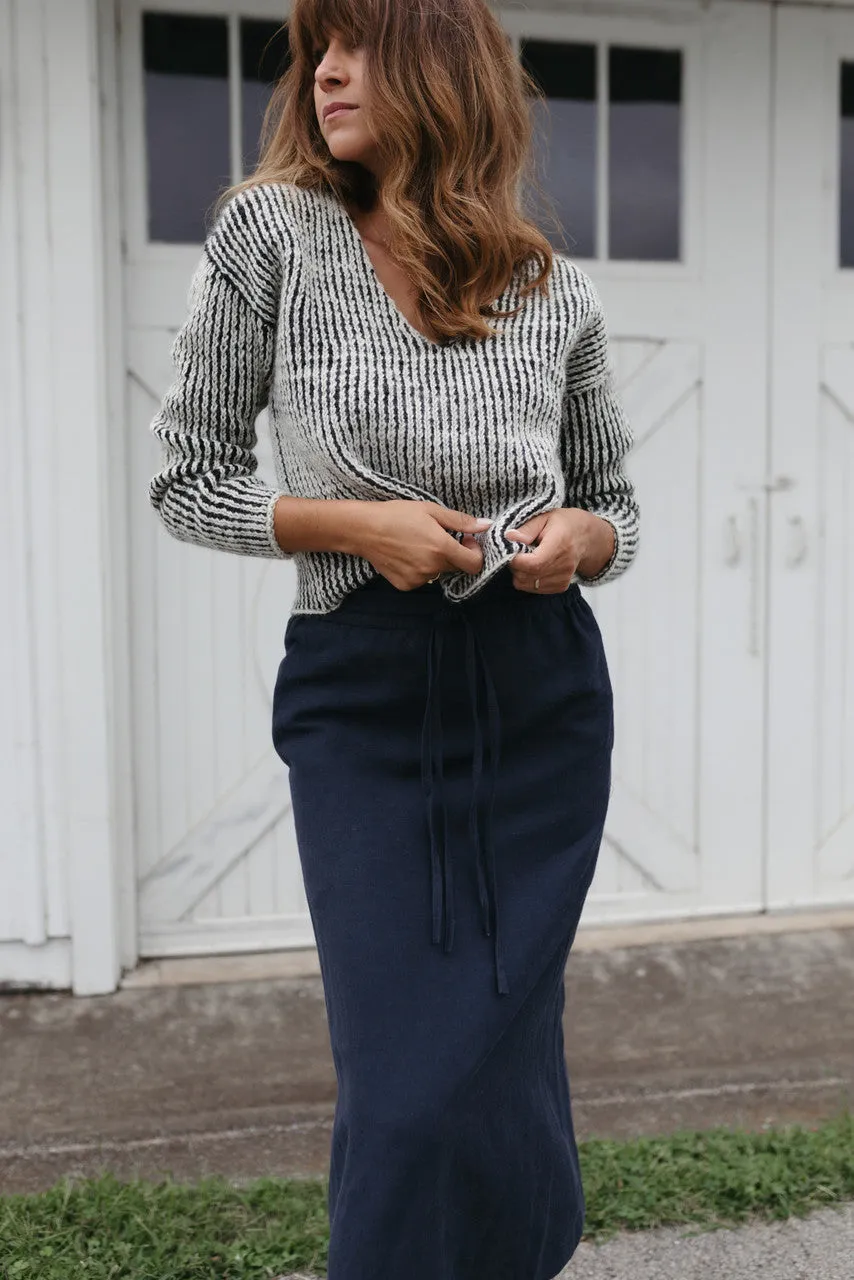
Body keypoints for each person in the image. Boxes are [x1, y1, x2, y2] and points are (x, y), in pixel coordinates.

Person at [148, 1, 640, 1275]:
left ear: (440, 68)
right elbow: (186, 482)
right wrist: (354, 527)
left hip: (538, 696)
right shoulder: (272, 236)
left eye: (355, 43)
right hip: (363, 689)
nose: (322, 71)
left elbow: (617, 511)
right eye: (315, 46)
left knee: (505, 1051)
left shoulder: (546, 285)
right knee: (405, 1075)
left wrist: (574, 543)